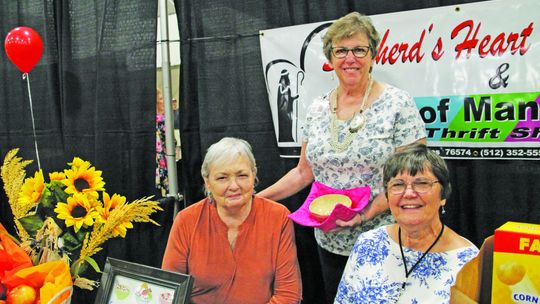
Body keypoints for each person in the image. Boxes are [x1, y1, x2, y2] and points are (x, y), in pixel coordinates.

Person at [258, 12, 426, 302]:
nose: (350, 58)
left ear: (373, 53)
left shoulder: (399, 104)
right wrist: (259, 199)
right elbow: (302, 173)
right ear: (330, 57)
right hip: (329, 241)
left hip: (385, 238)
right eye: (341, 51)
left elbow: (412, 178)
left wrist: (365, 214)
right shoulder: (317, 109)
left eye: (359, 49)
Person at [162, 137, 302, 303]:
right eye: (222, 178)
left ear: (254, 175)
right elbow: (169, 290)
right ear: (207, 183)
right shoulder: (186, 220)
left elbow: (288, 294)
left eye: (242, 175)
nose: (234, 186)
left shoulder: (278, 217)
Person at [334, 143, 479, 303]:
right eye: (398, 185)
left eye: (422, 183)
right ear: (388, 197)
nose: (409, 193)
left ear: (443, 195)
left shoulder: (468, 262)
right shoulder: (368, 243)